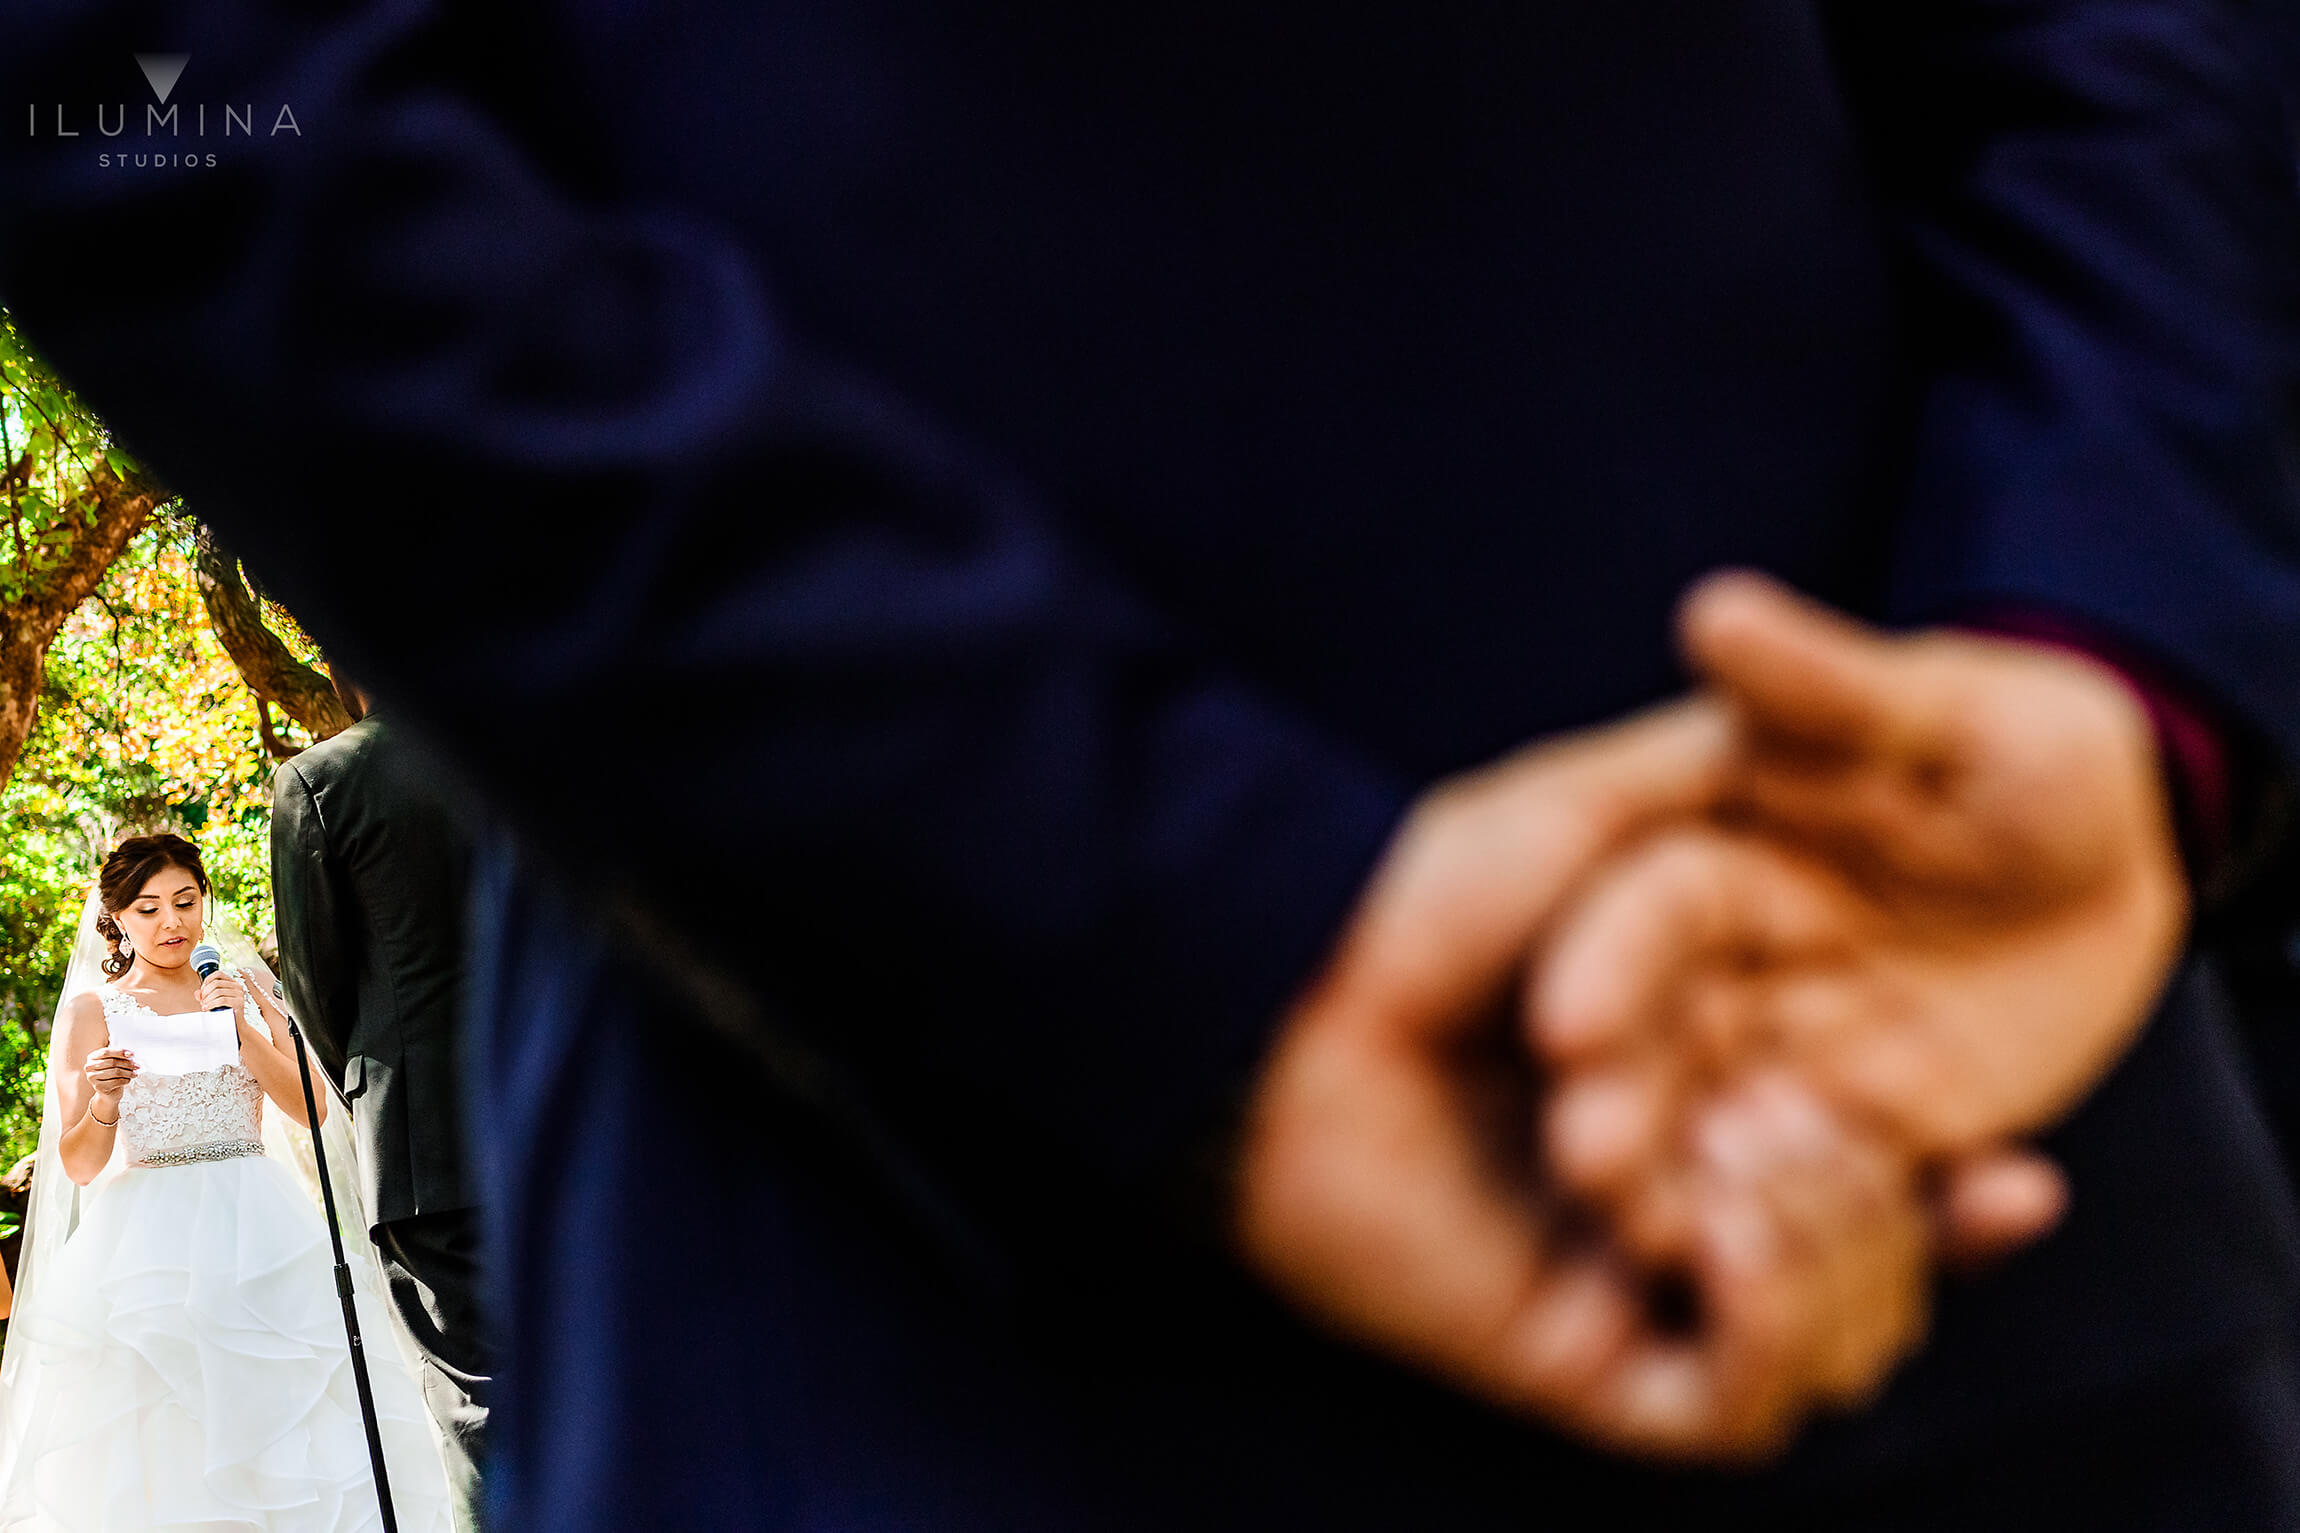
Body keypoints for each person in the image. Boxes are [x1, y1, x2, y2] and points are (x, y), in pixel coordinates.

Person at [2, 1, 2298, 1527]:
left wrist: (2101, 643)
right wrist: (1145, 914)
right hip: (912, 1270)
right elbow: (152, 76)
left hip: (1984, 1190)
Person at [0, 834, 454, 1532]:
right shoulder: (94, 1011)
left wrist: (238, 1026)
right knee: (166, 1423)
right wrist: (106, 1102)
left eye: (185, 901)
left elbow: (311, 1105)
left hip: (259, 1223)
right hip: (146, 1246)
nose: (171, 921)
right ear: (116, 917)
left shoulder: (245, 987)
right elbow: (81, 1164)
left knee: (290, 1405)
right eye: (148, 908)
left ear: (204, 901)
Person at [273, 710, 492, 1523]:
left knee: (478, 1402)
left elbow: (313, 989)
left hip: (422, 1141)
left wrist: (374, 1090)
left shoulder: (320, 779)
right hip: (573, 1120)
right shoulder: (543, 730)